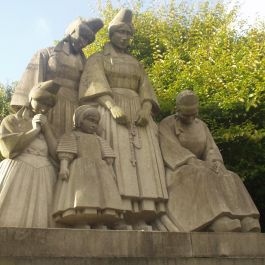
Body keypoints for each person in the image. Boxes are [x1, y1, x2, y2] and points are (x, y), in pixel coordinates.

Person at [79, 9, 168, 230]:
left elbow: (145, 89)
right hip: (110, 113)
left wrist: (146, 108)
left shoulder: (136, 63)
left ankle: (141, 216)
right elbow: (95, 83)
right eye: (121, 32)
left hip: (138, 115)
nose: (126, 37)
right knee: (118, 162)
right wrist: (111, 106)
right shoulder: (97, 59)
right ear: (111, 34)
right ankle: (115, 215)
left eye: (129, 34)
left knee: (144, 164)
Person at [159, 90, 261, 232]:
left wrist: (215, 162)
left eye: (193, 114)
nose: (190, 118)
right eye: (186, 114)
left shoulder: (201, 125)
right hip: (179, 170)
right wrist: (193, 161)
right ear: (177, 110)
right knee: (202, 175)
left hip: (203, 166)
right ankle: (218, 218)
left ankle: (245, 217)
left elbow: (211, 148)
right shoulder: (167, 124)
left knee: (229, 175)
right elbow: (171, 150)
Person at [11, 17, 103, 137]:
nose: (84, 42)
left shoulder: (86, 63)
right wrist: (26, 110)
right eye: (82, 36)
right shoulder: (47, 53)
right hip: (48, 106)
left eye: (88, 40)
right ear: (72, 31)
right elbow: (31, 81)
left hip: (74, 109)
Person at [52, 105, 124, 229]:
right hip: (80, 171)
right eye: (90, 120)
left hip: (100, 172)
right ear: (80, 120)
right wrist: (64, 166)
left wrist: (111, 171)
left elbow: (108, 157)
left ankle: (99, 221)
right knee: (83, 198)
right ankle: (81, 221)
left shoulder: (99, 139)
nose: (94, 125)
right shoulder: (72, 136)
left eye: (96, 122)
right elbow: (66, 152)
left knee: (102, 198)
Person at [0, 80, 60, 228]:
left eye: (48, 106)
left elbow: (56, 154)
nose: (44, 109)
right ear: (31, 99)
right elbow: (8, 149)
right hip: (17, 169)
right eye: (41, 103)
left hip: (44, 173)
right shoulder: (11, 120)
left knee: (42, 217)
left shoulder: (48, 126)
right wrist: (35, 130)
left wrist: (46, 129)